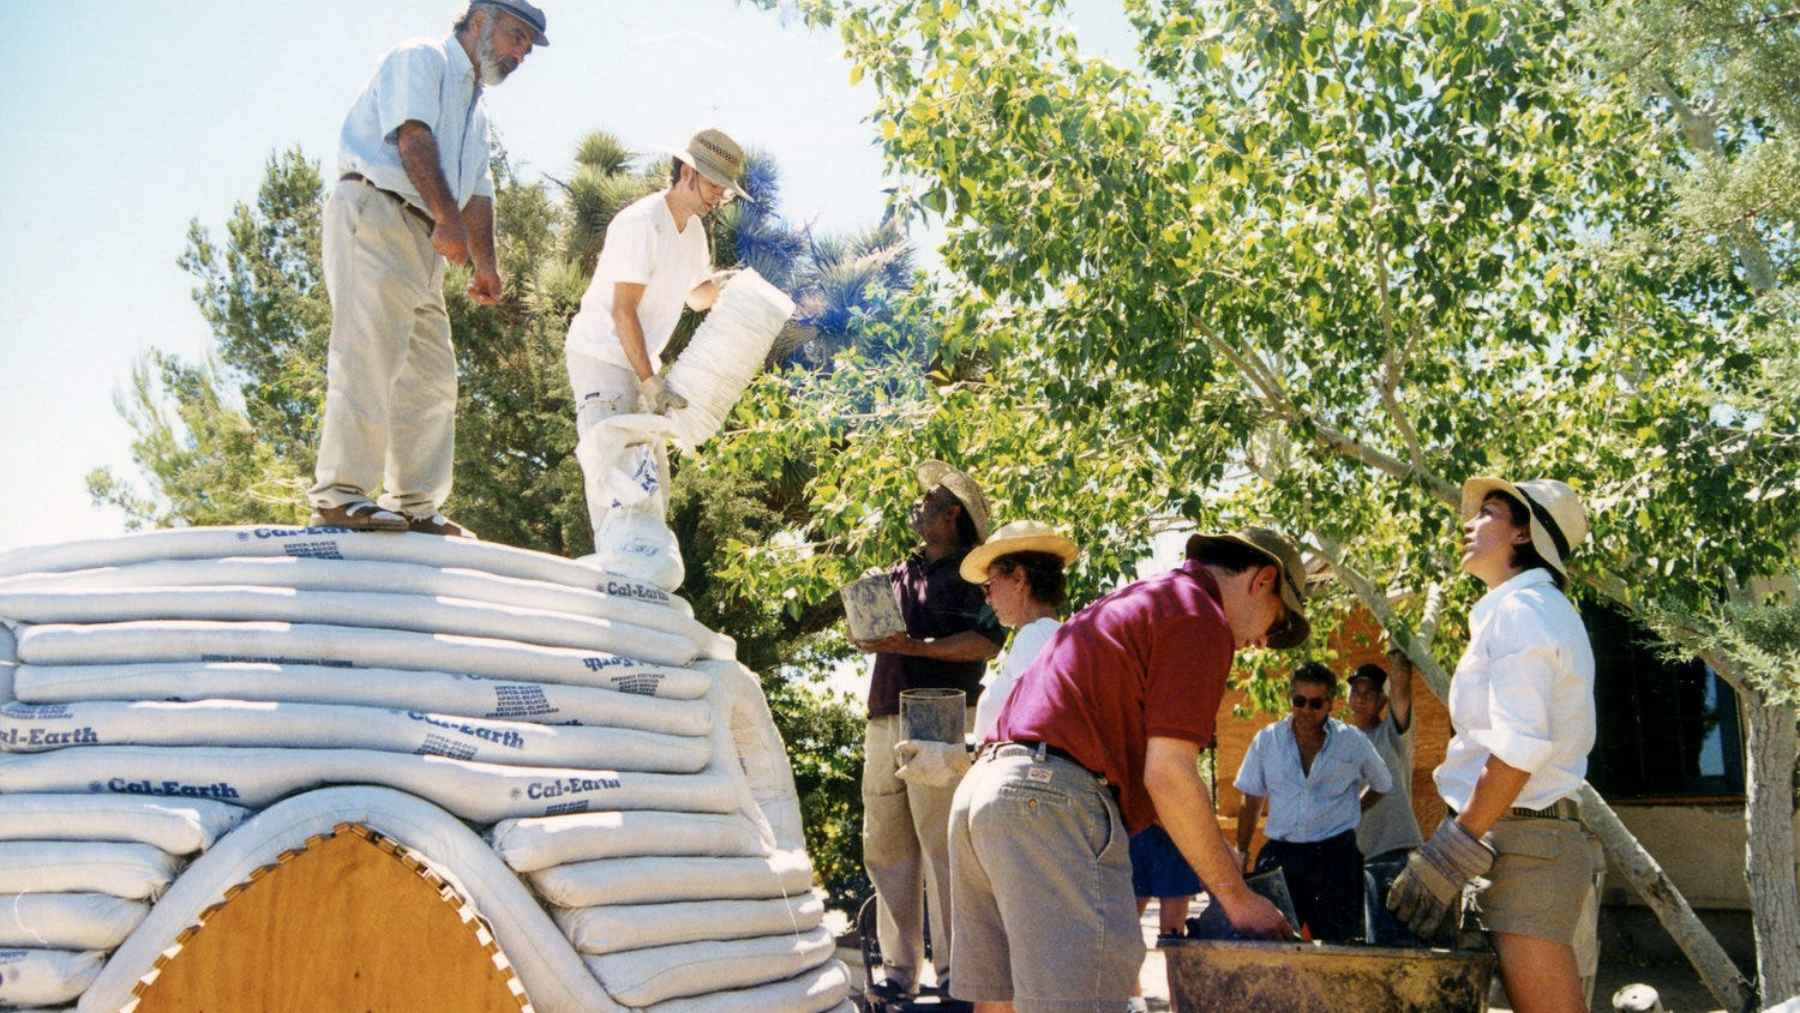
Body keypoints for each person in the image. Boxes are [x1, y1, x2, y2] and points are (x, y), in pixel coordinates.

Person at [949, 528, 1309, 1012]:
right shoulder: (1201, 617)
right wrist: (1237, 898)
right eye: (1279, 624)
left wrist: (1214, 854)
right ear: (1263, 580)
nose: (1265, 641)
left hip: (985, 795)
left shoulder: (1145, 599)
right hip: (1049, 801)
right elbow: (1169, 773)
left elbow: (1143, 770)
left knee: (1000, 1004)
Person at [308, 1, 547, 537]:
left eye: (528, 45)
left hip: (425, 236)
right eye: (517, 36)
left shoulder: (475, 108)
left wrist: (486, 266)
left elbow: (479, 193)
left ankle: (415, 503)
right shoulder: (421, 59)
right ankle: (340, 493)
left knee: (432, 377)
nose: (521, 52)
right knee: (368, 352)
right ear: (480, 20)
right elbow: (412, 137)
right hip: (377, 210)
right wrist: (446, 220)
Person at [1388, 477, 1597, 1013]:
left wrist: (1451, 850)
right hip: (1512, 838)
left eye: (1488, 514)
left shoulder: (1523, 611)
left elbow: (1516, 753)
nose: (1469, 524)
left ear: (1523, 534)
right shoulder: (1516, 610)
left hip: (1527, 844)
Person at [854, 461, 1005, 1000]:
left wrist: (913, 648)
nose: (917, 507)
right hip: (884, 710)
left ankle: (954, 972)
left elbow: (986, 644)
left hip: (941, 710)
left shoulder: (976, 575)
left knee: (942, 845)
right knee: (885, 842)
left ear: (953, 514)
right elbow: (876, 633)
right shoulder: (901, 569)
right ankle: (899, 970)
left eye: (929, 501)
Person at [562, 128, 749, 556]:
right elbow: (622, 310)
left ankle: (644, 573)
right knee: (613, 464)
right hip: (603, 355)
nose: (719, 196)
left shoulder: (695, 232)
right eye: (715, 184)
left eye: (725, 189)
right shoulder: (641, 222)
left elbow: (698, 296)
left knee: (648, 471)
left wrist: (728, 285)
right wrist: (650, 382)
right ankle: (617, 570)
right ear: (687, 172)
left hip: (641, 362)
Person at [1233, 662, 1391, 943]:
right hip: (1280, 856)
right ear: (1291, 699)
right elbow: (1252, 799)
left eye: (1316, 703)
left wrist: (1355, 808)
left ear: (1330, 703)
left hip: (1335, 857)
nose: (1306, 710)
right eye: (1299, 701)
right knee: (1272, 942)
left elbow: (1382, 784)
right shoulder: (1267, 741)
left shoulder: (1351, 741)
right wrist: (1241, 852)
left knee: (1338, 947)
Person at [1347, 653, 1423, 942]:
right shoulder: (1338, 742)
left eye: (1371, 693)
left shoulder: (1392, 734)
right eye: (1356, 691)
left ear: (1383, 700)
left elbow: (1402, 686)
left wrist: (1397, 643)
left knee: (1398, 945)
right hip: (1357, 863)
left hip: (1395, 856)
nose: (1362, 698)